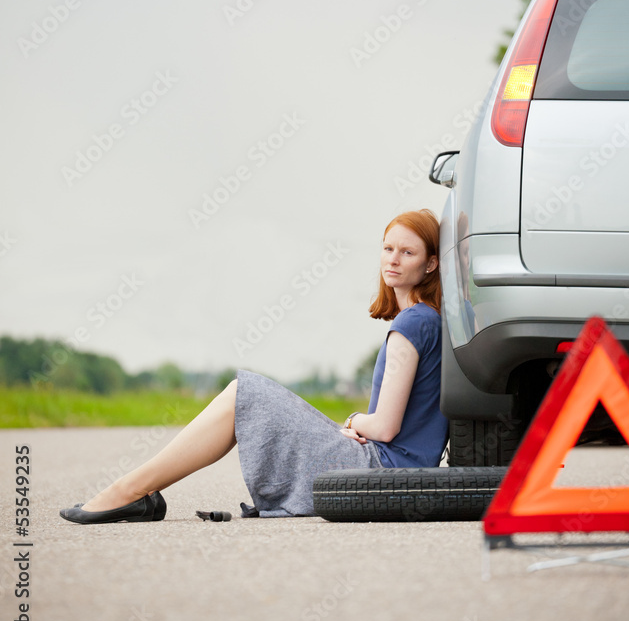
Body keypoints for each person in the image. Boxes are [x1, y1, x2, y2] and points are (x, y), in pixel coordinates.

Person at [60, 209, 449, 523]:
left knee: (245, 394)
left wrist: (351, 421)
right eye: (387, 248)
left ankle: (129, 492)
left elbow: (384, 426)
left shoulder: (414, 322)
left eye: (408, 252)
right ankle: (135, 492)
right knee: (247, 394)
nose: (393, 259)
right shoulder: (425, 320)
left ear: (431, 264)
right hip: (390, 466)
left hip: (382, 471)